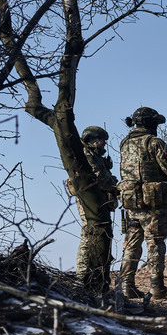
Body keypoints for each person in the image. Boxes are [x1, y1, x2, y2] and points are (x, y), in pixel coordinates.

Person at [117, 107, 167, 300]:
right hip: (152, 203)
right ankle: (157, 287)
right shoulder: (154, 142)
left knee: (131, 244)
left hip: (131, 202)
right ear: (152, 124)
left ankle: (126, 286)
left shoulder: (125, 143)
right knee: (155, 243)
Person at [74, 126, 118, 296]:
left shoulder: (96, 157)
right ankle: (81, 276)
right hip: (89, 204)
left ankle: (92, 277)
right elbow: (101, 180)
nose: (103, 143)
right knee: (88, 236)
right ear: (91, 140)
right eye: (100, 140)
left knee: (97, 237)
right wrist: (116, 185)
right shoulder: (87, 156)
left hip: (99, 203)